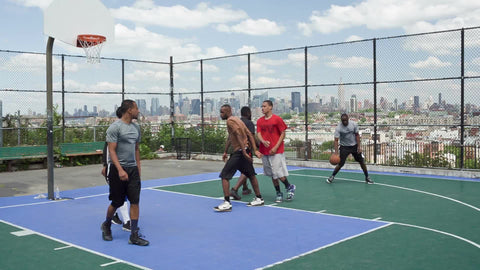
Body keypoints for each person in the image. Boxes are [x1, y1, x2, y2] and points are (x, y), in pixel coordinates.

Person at [100, 99, 149, 246]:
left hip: (132, 170)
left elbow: (136, 149)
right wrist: (120, 170)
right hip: (117, 170)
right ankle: (107, 225)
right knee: (117, 202)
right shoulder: (115, 128)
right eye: (136, 108)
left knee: (135, 201)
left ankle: (134, 235)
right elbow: (112, 151)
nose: (138, 111)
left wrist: (138, 168)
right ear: (129, 110)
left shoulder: (136, 128)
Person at [214, 104, 264, 212]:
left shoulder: (230, 121)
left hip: (239, 152)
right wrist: (254, 150)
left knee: (224, 176)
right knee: (251, 175)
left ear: (228, 111)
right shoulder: (238, 120)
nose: (221, 114)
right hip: (243, 151)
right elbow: (249, 135)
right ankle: (259, 198)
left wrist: (244, 152)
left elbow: (238, 135)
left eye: (222, 112)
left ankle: (227, 203)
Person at [257, 100, 296, 203]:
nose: (262, 108)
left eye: (264, 106)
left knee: (277, 172)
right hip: (265, 151)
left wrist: (275, 147)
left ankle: (289, 187)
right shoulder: (260, 121)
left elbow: (283, 133)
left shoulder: (277, 119)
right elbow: (259, 134)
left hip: (276, 151)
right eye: (262, 106)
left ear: (270, 107)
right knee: (271, 174)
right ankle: (280, 192)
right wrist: (263, 141)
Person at [326, 113, 373, 184]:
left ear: (348, 119)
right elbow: (336, 140)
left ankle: (367, 177)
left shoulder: (354, 124)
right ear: (341, 120)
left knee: (362, 162)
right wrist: (336, 153)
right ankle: (332, 176)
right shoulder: (339, 128)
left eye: (345, 120)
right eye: (343, 120)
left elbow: (357, 136)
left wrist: (359, 147)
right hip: (344, 147)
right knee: (340, 163)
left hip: (354, 146)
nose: (344, 122)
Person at [101, 142, 132, 232]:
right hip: (114, 170)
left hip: (126, 168)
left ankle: (114, 215)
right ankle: (127, 222)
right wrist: (106, 168)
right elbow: (108, 156)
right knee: (121, 195)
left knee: (121, 195)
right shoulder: (112, 137)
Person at [229, 106, 255, 200]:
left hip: (236, 149)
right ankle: (235, 189)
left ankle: (245, 188)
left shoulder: (237, 122)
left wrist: (225, 150)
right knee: (248, 170)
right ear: (248, 113)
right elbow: (251, 137)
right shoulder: (249, 123)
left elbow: (230, 137)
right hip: (246, 149)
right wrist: (255, 149)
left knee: (244, 169)